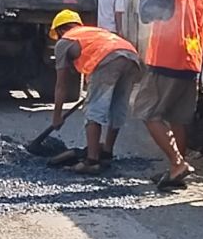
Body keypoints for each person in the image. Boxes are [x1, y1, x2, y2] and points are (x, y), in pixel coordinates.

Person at [135, 0, 203, 191]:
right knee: (178, 118)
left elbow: (145, 13)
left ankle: (178, 163)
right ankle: (175, 172)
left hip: (166, 61)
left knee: (147, 111)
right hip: (191, 64)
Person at [48, 9, 142, 175]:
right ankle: (106, 152)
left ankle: (91, 161)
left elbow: (61, 85)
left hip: (107, 59)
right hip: (131, 57)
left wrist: (57, 116)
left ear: (61, 30)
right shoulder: (93, 32)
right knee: (117, 107)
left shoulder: (65, 41)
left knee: (94, 109)